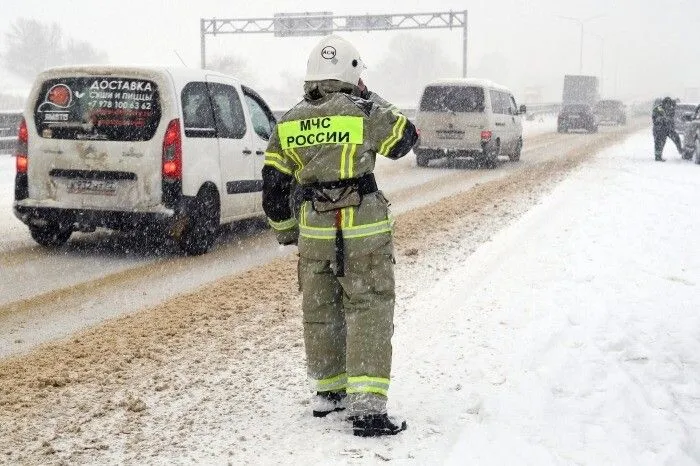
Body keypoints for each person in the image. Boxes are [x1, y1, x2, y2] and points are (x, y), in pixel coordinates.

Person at [261, 34, 418, 437]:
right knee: (368, 308)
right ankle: (367, 409)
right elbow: (405, 140)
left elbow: (273, 186)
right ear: (352, 74)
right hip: (363, 228)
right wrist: (371, 96)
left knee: (322, 310)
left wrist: (286, 232)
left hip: (315, 231)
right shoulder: (363, 110)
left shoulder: (290, 119)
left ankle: (329, 395)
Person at [652, 97, 682, 162]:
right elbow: (654, 119)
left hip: (669, 128)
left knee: (676, 138)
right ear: (664, 103)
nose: (668, 105)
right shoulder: (658, 109)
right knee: (659, 142)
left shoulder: (672, 108)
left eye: (669, 103)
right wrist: (662, 119)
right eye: (667, 103)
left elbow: (674, 116)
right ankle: (658, 156)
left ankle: (681, 151)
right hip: (659, 129)